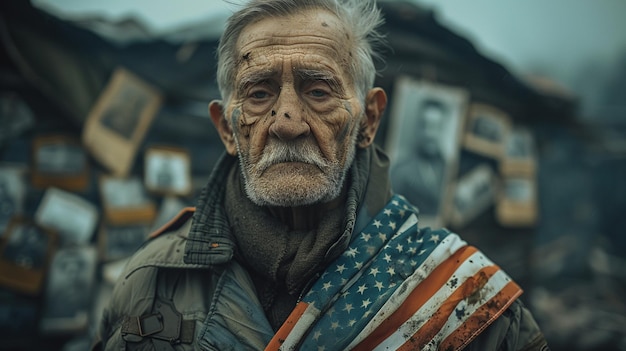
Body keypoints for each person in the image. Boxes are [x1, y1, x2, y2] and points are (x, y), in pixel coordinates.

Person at [94, 1, 549, 350]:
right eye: (258, 93)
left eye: (317, 90)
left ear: (369, 119)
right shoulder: (152, 282)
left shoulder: (465, 299)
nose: (287, 121)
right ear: (226, 128)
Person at [391, 98, 449, 217]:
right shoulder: (400, 171)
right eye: (424, 125)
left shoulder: (448, 168)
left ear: (442, 129)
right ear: (417, 128)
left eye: (435, 126)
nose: (429, 133)